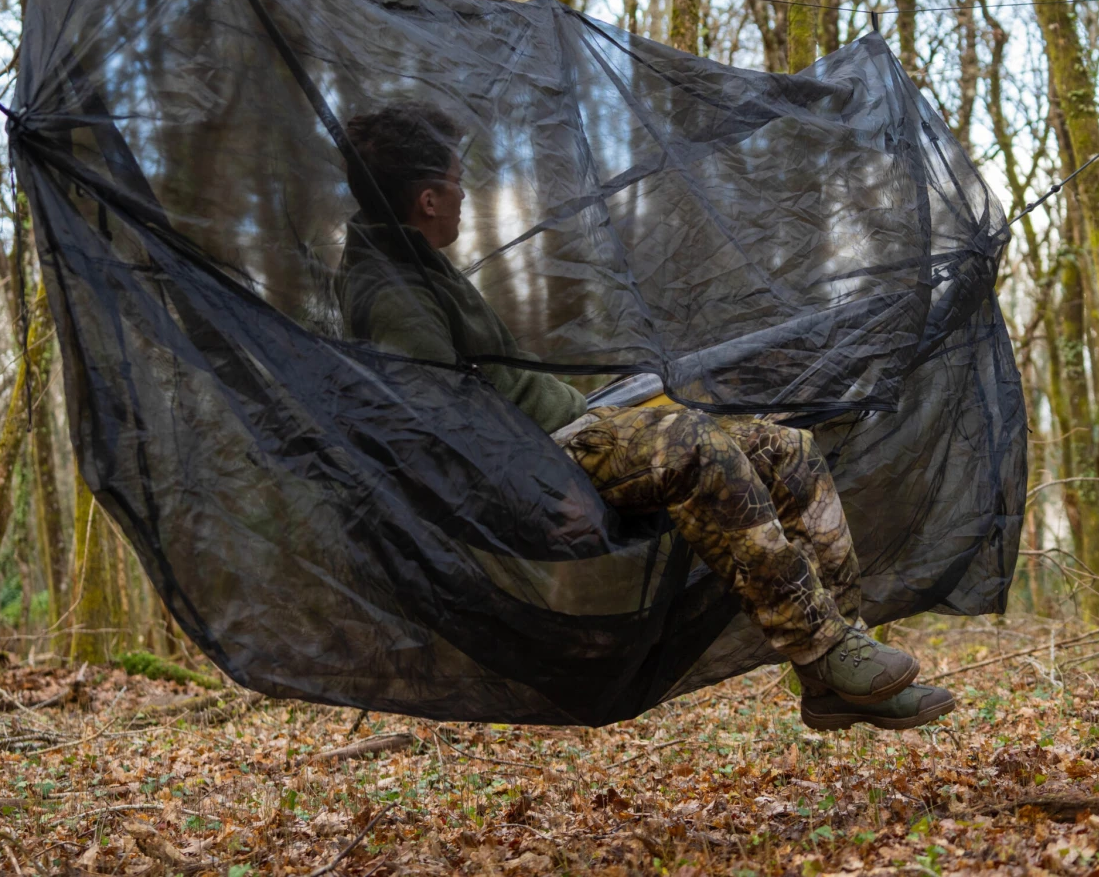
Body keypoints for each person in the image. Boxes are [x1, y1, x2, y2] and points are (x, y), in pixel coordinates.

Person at [337, 103, 955, 732]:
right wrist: (546, 492)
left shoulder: (413, 260)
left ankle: (834, 674)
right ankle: (821, 647)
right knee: (692, 446)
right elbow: (436, 428)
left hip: (572, 431)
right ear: (429, 199)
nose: (467, 196)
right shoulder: (390, 295)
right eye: (458, 182)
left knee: (784, 449)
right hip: (543, 463)